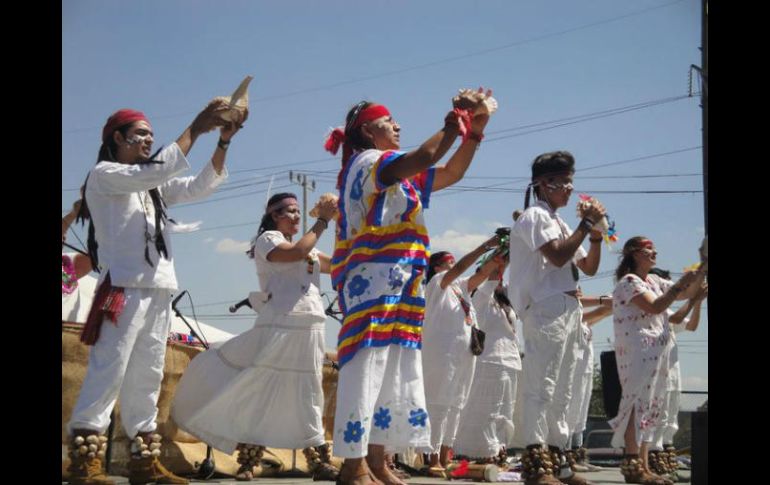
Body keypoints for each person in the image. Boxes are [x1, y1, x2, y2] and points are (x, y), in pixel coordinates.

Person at [66, 100, 245, 485]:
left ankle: (143, 464)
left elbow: (199, 186)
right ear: (117, 138)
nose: (148, 139)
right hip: (123, 288)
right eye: (140, 134)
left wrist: (224, 141)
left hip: (159, 288)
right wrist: (196, 126)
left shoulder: (151, 185)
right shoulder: (106, 174)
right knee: (108, 371)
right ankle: (84, 464)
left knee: (148, 374)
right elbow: (160, 168)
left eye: (151, 134)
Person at [325, 91, 493, 485]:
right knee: (367, 367)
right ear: (367, 131)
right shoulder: (368, 163)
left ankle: (379, 460)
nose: (398, 125)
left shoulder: (393, 172)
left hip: (401, 281)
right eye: (388, 121)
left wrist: (475, 134)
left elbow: (450, 173)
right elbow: (426, 157)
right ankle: (353, 465)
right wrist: (455, 122)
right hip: (373, 282)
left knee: (394, 371)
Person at [171, 193, 339, 481]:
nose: (298, 216)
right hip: (280, 323)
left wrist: (342, 222)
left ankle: (320, 461)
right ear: (274, 215)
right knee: (261, 387)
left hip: (310, 324)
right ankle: (248, 461)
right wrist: (322, 220)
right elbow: (296, 252)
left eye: (300, 212)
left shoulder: (309, 246)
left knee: (309, 390)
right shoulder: (269, 240)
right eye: (291, 211)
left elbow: (337, 265)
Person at [507, 150, 605, 485]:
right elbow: (559, 256)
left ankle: (558, 460)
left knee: (565, 388)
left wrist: (595, 235)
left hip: (569, 308)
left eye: (570, 181)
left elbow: (588, 267)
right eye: (563, 182)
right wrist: (586, 223)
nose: (569, 189)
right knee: (542, 384)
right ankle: (536, 462)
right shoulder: (535, 216)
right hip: (545, 305)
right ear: (543, 184)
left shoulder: (560, 221)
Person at [610, 237, 706, 485]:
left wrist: (703, 265)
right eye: (649, 250)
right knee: (635, 401)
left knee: (651, 405)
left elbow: (687, 293)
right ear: (634, 254)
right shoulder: (628, 282)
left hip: (658, 350)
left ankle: (643, 465)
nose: (655, 253)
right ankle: (632, 462)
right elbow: (656, 307)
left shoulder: (653, 280)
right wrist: (680, 287)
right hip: (638, 349)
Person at [422, 241, 500, 471]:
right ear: (436, 267)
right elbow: (463, 268)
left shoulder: (461, 288)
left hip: (464, 352)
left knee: (457, 404)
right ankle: (432, 457)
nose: (453, 263)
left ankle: (446, 456)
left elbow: (482, 273)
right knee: (440, 403)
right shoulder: (438, 283)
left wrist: (499, 253)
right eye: (448, 260)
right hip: (443, 352)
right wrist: (482, 247)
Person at [453, 257, 522, 466]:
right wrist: (501, 261)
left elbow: (522, 287)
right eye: (496, 276)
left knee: (505, 411)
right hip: (491, 360)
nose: (500, 280)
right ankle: (479, 451)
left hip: (511, 360)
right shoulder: (479, 299)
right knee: (486, 409)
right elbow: (489, 282)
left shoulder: (506, 303)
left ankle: (499, 447)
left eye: (501, 277)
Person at [646, 268, 707, 482]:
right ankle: (653, 462)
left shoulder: (667, 312)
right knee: (656, 417)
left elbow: (690, 326)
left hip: (672, 372)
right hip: (654, 372)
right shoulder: (653, 310)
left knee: (670, 416)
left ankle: (666, 463)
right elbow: (679, 317)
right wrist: (693, 300)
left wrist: (698, 302)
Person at [564, 290, 612, 473]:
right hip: (572, 370)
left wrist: (616, 306)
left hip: (584, 371)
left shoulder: (584, 322)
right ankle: (566, 455)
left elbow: (598, 315)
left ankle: (578, 455)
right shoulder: (572, 314)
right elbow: (595, 313)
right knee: (570, 411)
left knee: (581, 413)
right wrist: (608, 303)